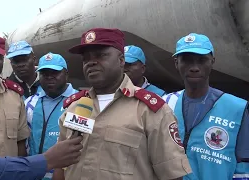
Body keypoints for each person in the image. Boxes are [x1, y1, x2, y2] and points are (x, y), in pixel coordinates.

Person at [53, 28, 191, 180]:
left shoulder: (150, 111)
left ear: (121, 60)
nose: (91, 62)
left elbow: (172, 174)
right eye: (86, 58)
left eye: (100, 55)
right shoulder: (75, 107)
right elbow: (61, 165)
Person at [162, 33, 249, 180]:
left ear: (212, 61)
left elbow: (244, 164)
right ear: (176, 63)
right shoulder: (165, 103)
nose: (194, 67)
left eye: (202, 60)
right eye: (187, 61)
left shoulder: (237, 108)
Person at [25, 52, 78, 180]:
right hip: (34, 174)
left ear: (66, 74)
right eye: (44, 74)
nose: (49, 77)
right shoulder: (30, 103)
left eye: (55, 73)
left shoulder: (79, 103)